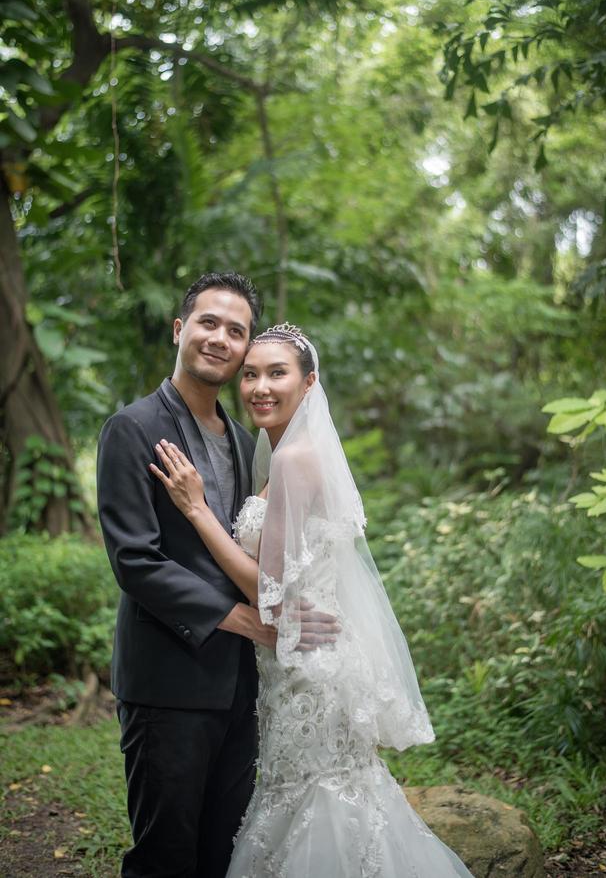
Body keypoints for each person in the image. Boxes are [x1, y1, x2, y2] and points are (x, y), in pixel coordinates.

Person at [150, 322, 475, 877]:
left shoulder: (294, 460)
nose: (259, 387)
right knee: (326, 796)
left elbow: (269, 593)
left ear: (309, 383)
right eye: (250, 374)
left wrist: (197, 510)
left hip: (309, 669)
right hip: (301, 657)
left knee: (319, 800)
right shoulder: (286, 452)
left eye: (278, 373)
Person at [97, 275, 337, 878]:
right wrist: (249, 623)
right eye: (208, 323)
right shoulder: (132, 428)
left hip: (241, 690)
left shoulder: (242, 437)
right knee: (166, 856)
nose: (220, 339)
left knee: (224, 854)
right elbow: (136, 561)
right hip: (168, 684)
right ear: (181, 330)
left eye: (236, 331)